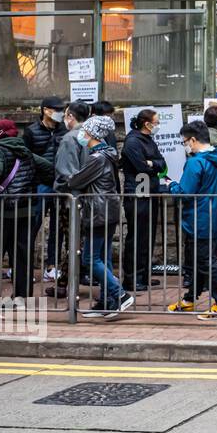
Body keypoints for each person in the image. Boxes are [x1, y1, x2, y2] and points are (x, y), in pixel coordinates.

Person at [0, 119, 52, 305]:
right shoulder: (26, 153)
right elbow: (48, 168)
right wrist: (34, 183)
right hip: (25, 211)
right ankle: (22, 297)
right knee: (22, 255)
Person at [59, 115, 132, 319]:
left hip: (98, 212)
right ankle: (107, 301)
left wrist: (66, 179)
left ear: (90, 134)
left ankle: (119, 294)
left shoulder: (97, 158)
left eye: (85, 131)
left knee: (91, 258)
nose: (81, 134)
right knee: (102, 257)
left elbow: (75, 181)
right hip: (107, 210)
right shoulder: (106, 155)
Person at [165, 121, 217, 318]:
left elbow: (185, 192)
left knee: (204, 261)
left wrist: (171, 185)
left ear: (193, 140)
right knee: (198, 261)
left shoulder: (196, 162)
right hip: (214, 215)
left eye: (185, 141)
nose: (185, 146)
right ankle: (190, 298)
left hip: (199, 218)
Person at [46, 101, 91, 299]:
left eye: (65, 115)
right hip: (88, 197)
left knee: (73, 243)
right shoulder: (90, 137)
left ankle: (65, 283)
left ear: (70, 116)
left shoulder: (69, 139)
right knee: (79, 242)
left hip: (72, 198)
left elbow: (66, 173)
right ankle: (66, 282)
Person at [22, 96, 66, 283]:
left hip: (60, 184)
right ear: (46, 110)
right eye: (58, 110)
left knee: (59, 227)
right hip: (39, 184)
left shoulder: (64, 130)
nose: (62, 114)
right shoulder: (31, 131)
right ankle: (25, 267)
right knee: (32, 226)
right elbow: (25, 158)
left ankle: (52, 265)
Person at [121, 108, 165, 293]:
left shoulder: (148, 141)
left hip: (150, 191)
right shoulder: (132, 142)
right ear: (147, 124)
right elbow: (141, 167)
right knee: (137, 236)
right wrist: (151, 164)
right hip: (138, 192)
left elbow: (163, 164)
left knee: (148, 235)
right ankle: (132, 278)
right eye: (156, 122)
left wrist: (152, 163)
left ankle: (144, 275)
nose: (158, 125)